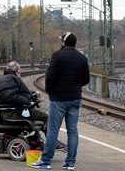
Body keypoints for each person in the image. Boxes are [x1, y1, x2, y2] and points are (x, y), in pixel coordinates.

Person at [31, 31, 90, 171]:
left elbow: (50, 76)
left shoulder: (57, 55)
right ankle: (70, 163)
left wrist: (51, 91)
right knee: (73, 131)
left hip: (59, 99)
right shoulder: (82, 58)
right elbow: (86, 79)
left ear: (63, 42)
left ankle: (45, 161)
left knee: (52, 130)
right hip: (75, 99)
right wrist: (75, 87)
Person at [0, 61, 48, 136]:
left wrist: (32, 93)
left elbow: (16, 92)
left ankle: (39, 139)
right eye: (19, 70)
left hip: (17, 109)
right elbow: (10, 96)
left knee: (44, 115)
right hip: (13, 112)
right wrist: (28, 103)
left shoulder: (8, 78)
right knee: (47, 116)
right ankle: (52, 142)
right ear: (18, 71)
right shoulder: (8, 80)